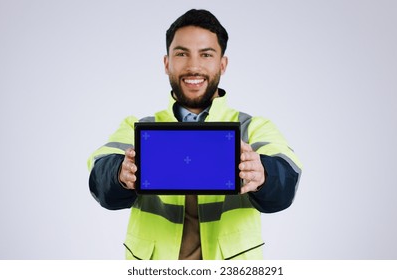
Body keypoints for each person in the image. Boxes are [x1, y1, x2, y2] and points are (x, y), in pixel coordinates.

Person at [87, 9, 302, 260]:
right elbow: (99, 175)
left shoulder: (252, 128)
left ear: (223, 64)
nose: (193, 66)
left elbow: (287, 178)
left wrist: (264, 175)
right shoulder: (139, 128)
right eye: (181, 54)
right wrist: (119, 174)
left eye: (206, 54)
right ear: (167, 63)